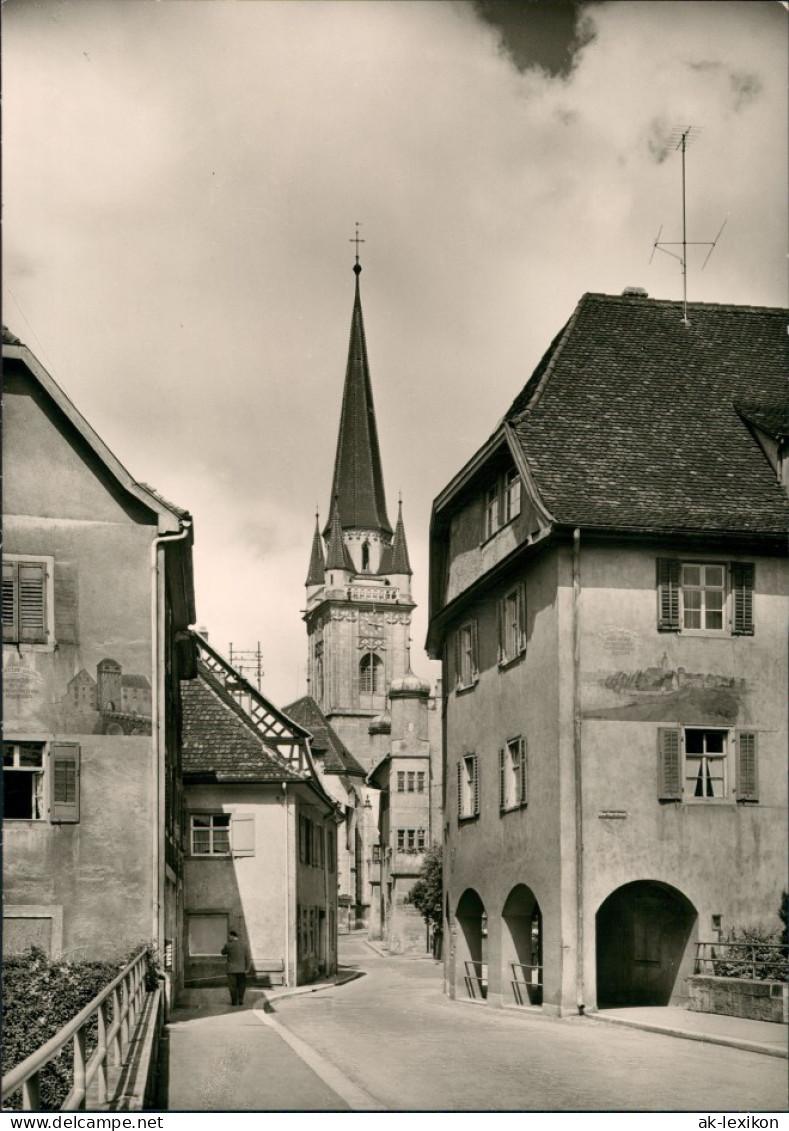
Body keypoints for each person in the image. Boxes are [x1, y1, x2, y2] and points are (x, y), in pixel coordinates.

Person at [221, 929, 250, 1006]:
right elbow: (247, 958)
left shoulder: (228, 945)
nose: (228, 938)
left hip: (231, 970)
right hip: (241, 969)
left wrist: (226, 947)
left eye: (229, 936)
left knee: (232, 986)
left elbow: (222, 952)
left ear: (232, 936)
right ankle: (240, 1000)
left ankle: (234, 1001)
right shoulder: (244, 945)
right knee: (241, 985)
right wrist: (246, 968)